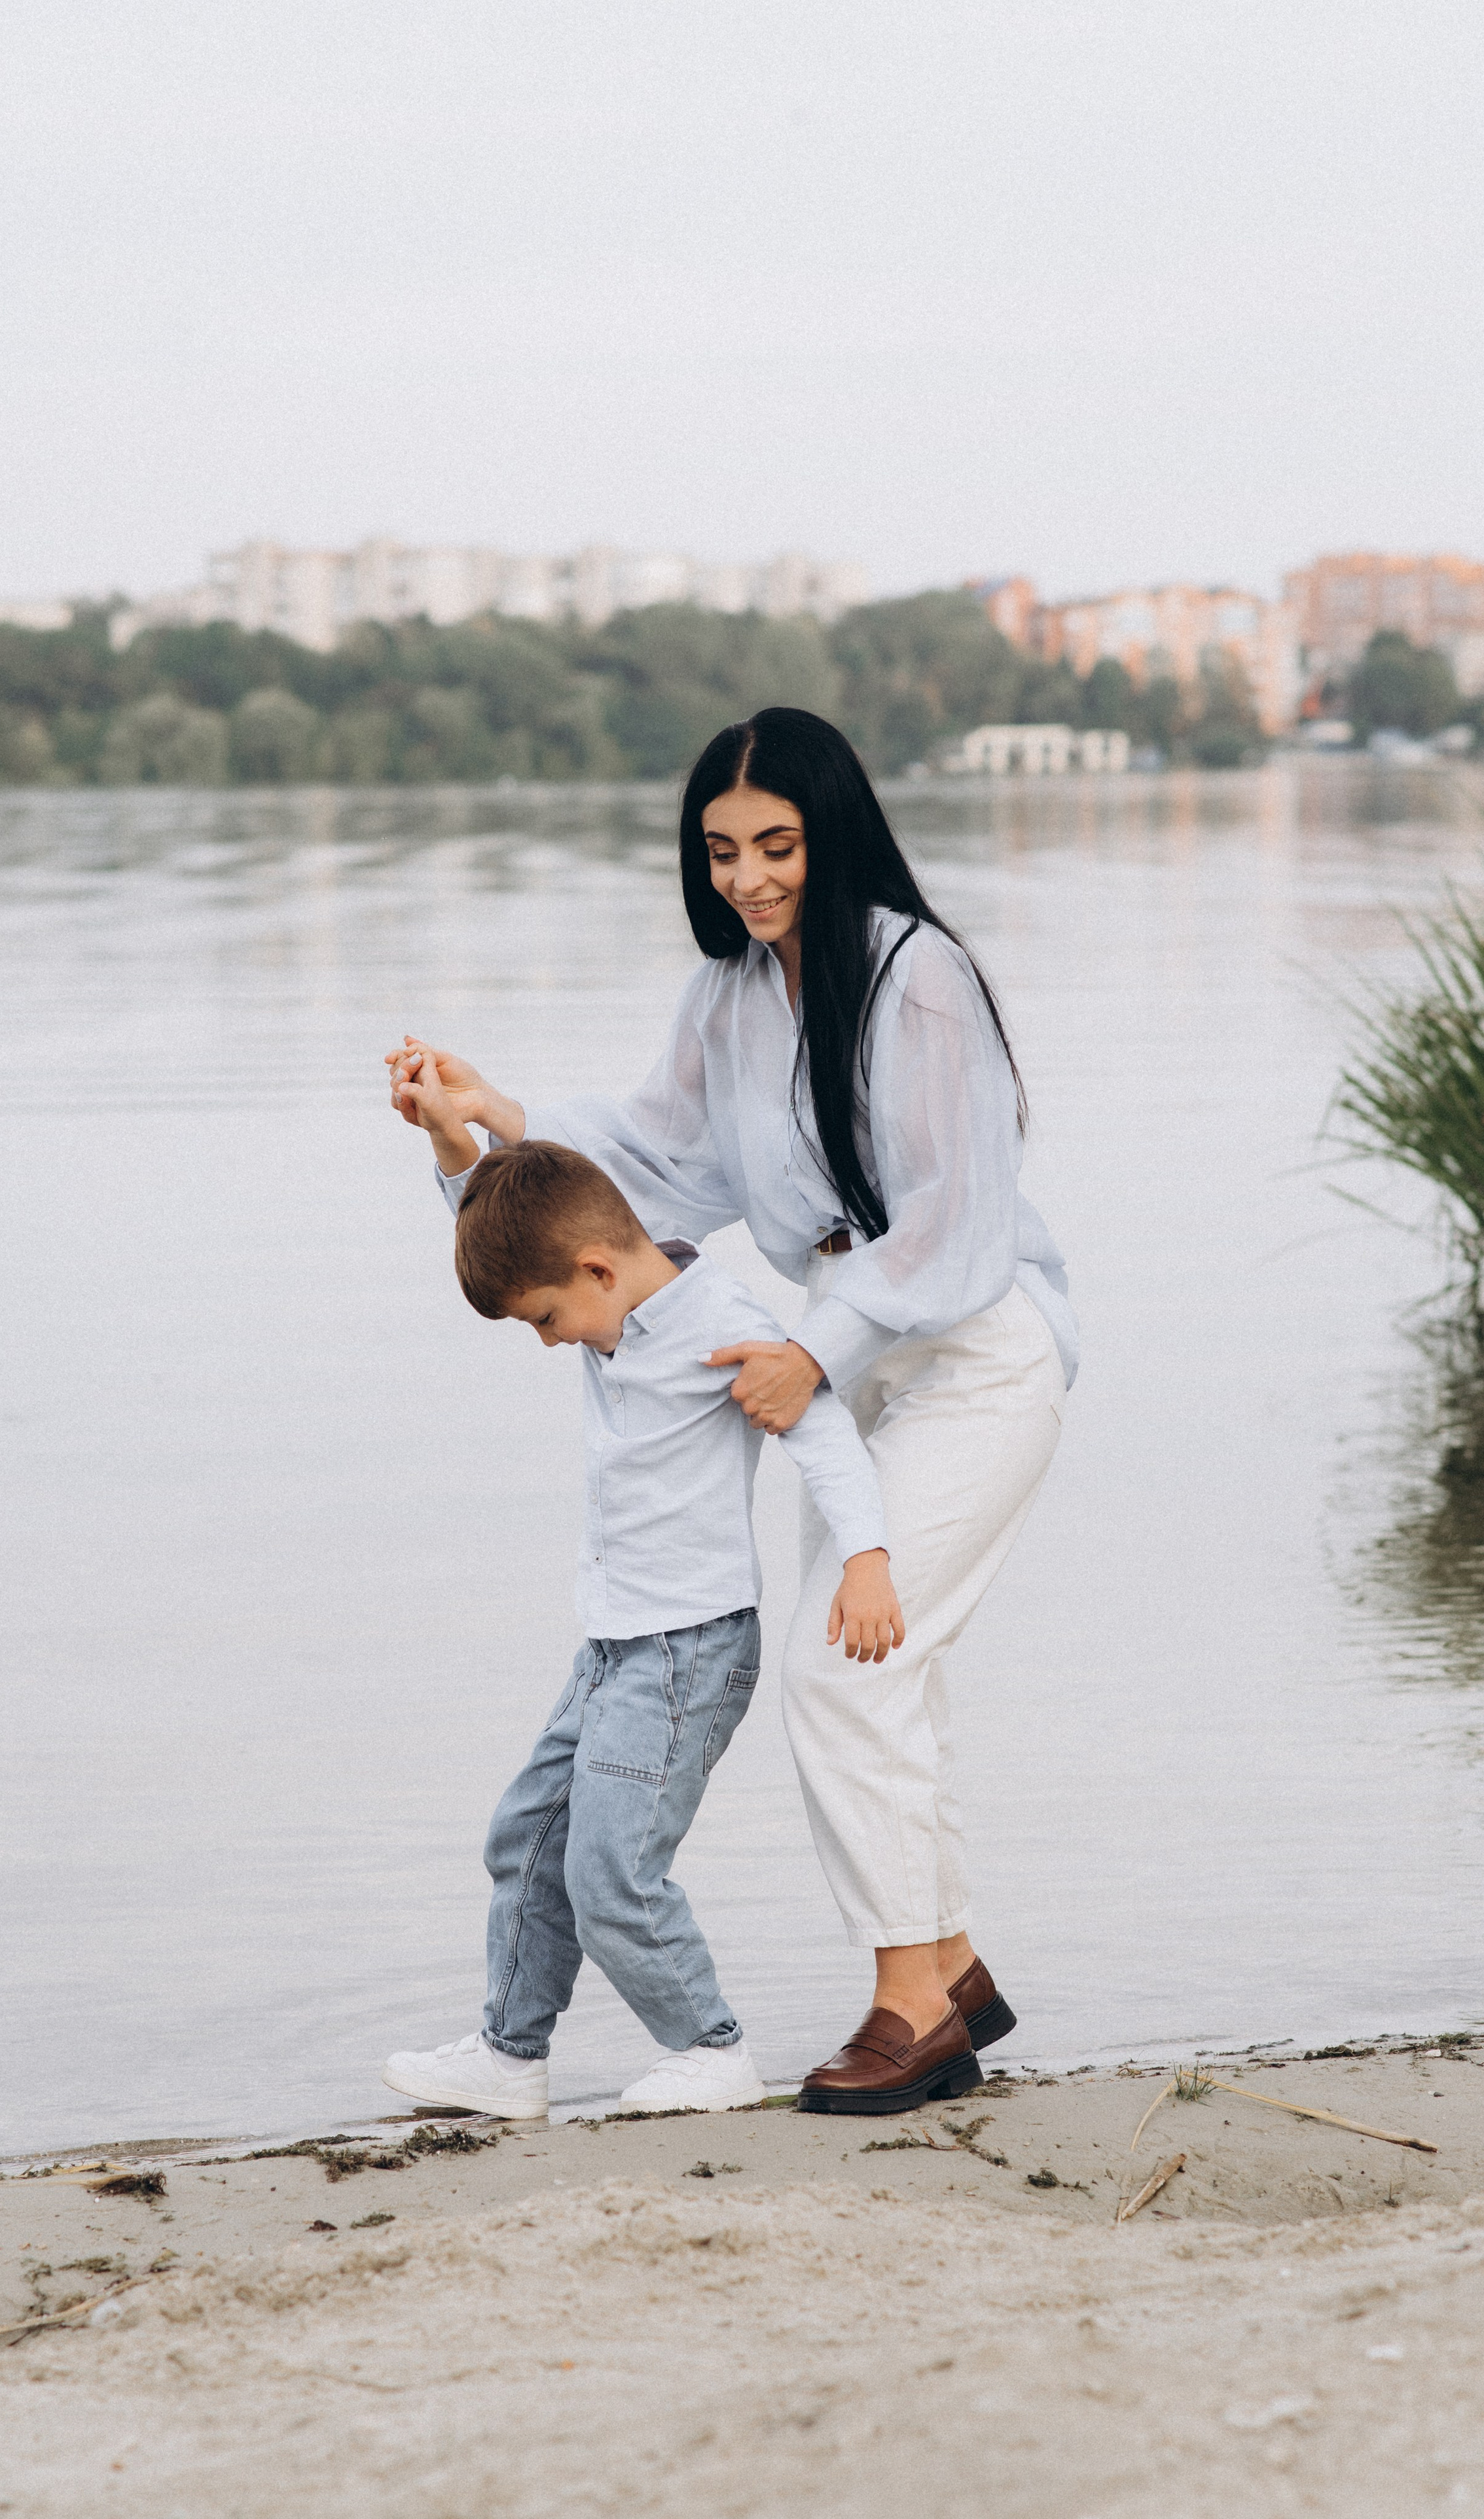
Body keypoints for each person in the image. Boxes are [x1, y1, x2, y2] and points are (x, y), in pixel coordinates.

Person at [388, 707, 1076, 2115]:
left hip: (976, 1351)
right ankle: (948, 1963)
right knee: (892, 1669)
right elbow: (650, 1160)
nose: (749, 877)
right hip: (858, 1354)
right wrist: (487, 1110)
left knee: (846, 1665)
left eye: (775, 845)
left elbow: (953, 1225)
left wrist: (812, 1356)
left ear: (831, 834)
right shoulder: (731, 995)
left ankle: (909, 2009)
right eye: (720, 852)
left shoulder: (919, 978)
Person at [378, 1127, 959, 2120]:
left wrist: (866, 1561)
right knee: (526, 1837)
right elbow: (512, 1228)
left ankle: (709, 2049)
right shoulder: (608, 1294)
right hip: (610, 1646)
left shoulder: (718, 1323)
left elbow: (821, 1436)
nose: (551, 1340)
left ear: (597, 1269)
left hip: (689, 1652)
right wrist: (449, 1148)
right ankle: (510, 2058)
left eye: (549, 1318)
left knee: (611, 1867)